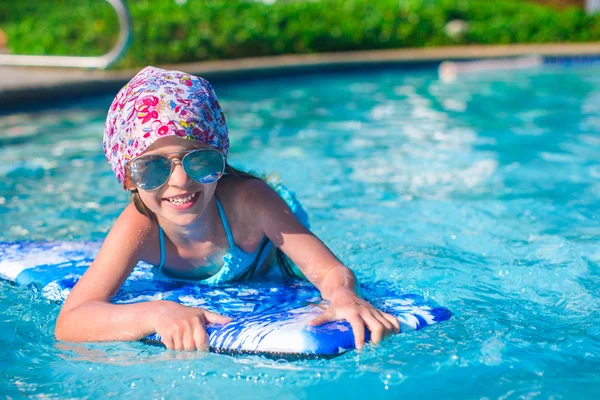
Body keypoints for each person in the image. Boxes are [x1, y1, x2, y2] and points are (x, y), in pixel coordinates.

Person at [55, 66, 399, 351]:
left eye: (199, 160)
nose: (179, 181)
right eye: (153, 167)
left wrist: (341, 294)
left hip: (270, 239)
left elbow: (326, 271)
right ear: (128, 178)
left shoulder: (251, 202)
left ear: (220, 157)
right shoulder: (140, 227)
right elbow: (72, 319)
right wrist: (155, 314)